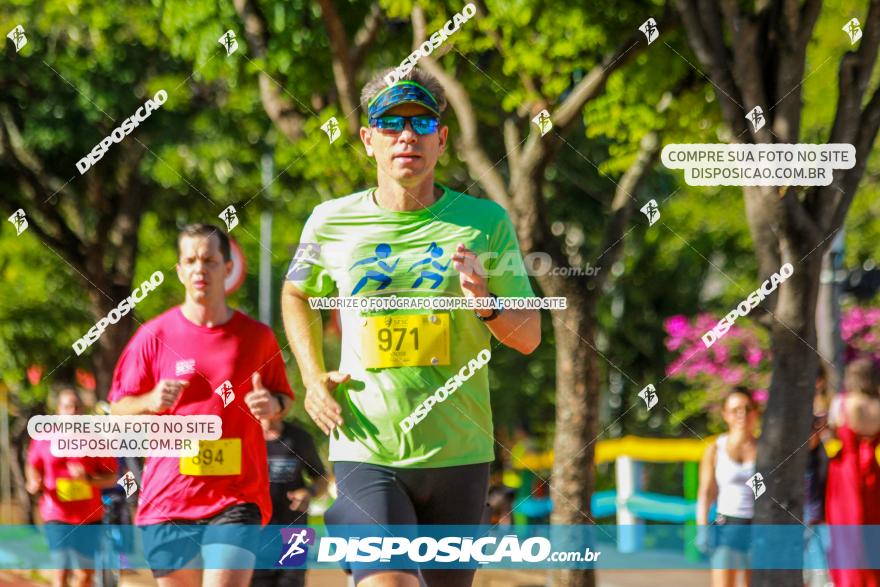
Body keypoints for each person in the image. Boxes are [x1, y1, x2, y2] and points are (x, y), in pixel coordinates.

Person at [280, 67, 541, 587]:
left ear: (441, 139)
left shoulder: (484, 222)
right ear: (368, 138)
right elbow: (295, 292)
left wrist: (485, 303)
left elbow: (529, 336)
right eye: (391, 122)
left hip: (460, 452)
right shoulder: (329, 221)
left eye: (422, 123)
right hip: (364, 446)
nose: (407, 135)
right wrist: (311, 376)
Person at [109, 224, 294, 587]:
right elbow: (117, 409)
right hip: (169, 496)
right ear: (179, 270)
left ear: (228, 268)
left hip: (236, 494)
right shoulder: (153, 336)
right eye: (191, 261)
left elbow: (284, 398)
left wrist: (272, 404)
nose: (200, 269)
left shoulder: (257, 337)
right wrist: (149, 400)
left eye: (209, 260)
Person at [26, 387, 119, 587]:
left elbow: (112, 477)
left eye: (77, 407)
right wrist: (33, 481)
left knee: (85, 575)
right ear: (58, 410)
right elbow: (32, 465)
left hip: (89, 516)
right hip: (56, 513)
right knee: (60, 571)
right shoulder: (44, 437)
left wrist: (88, 479)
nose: (73, 412)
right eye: (68, 407)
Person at [252, 417, 328, 587]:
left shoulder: (299, 438)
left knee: (292, 582)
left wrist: (309, 492)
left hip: (295, 531)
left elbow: (321, 479)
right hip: (253, 531)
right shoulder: (242, 436)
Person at [825, 357, 880, 587]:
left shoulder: (842, 403)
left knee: (846, 535)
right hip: (873, 477)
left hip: (844, 475)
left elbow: (830, 434)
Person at [696, 387, 759, 587]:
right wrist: (702, 528)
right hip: (726, 524)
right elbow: (705, 492)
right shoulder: (715, 448)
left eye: (747, 409)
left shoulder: (765, 448)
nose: (742, 414)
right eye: (735, 410)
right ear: (725, 415)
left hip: (757, 525)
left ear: (755, 412)